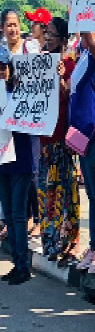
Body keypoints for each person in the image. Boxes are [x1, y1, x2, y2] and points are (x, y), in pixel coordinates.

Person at [38, 17, 80, 263]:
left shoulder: (71, 65)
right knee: (48, 194)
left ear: (64, 39)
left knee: (65, 194)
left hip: (62, 143)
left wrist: (64, 80)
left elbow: (72, 99)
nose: (48, 37)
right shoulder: (40, 63)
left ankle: (68, 242)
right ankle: (50, 242)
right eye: (46, 33)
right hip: (44, 143)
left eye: (52, 34)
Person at [68, 31, 95, 272]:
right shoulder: (82, 55)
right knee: (92, 194)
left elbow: (91, 40)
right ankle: (94, 246)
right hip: (79, 136)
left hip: (93, 135)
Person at [0, 47, 34, 284]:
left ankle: (23, 265)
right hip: (2, 163)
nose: (0, 72)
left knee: (19, 215)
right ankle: (17, 262)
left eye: (3, 67)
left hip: (20, 160)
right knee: (10, 215)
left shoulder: (21, 93)